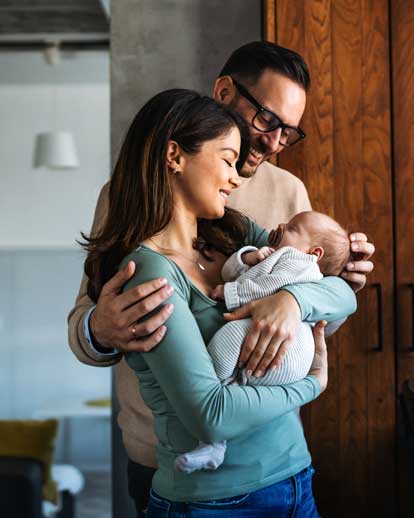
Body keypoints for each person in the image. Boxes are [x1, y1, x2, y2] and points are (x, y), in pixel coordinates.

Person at [67, 41, 374, 515]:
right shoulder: (130, 213)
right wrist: (101, 330)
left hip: (285, 462)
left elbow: (315, 316)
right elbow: (85, 322)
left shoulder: (267, 204)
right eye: (268, 121)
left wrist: (304, 298)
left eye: (289, 133)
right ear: (225, 91)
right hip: (172, 461)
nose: (275, 143)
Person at [176, 210, 350, 474]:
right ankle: (215, 443)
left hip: (288, 348)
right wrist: (249, 257)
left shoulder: (299, 261)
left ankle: (213, 430)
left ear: (315, 253)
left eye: (292, 228)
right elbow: (233, 271)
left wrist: (231, 292)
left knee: (226, 341)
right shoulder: (275, 254)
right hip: (290, 358)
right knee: (238, 381)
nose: (281, 225)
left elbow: (269, 287)